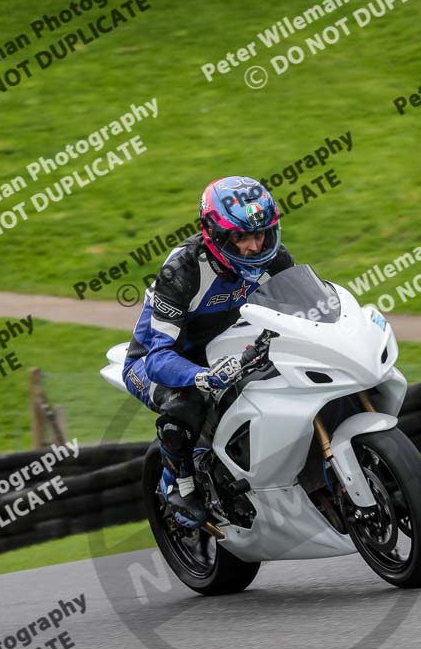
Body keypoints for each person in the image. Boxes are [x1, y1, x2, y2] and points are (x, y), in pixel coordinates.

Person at [122, 176, 294, 528]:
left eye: (261, 234)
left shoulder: (275, 260)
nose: (253, 247)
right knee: (188, 402)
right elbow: (157, 358)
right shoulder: (182, 271)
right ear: (213, 234)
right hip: (157, 361)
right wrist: (201, 376)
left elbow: (303, 310)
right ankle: (179, 483)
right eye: (240, 236)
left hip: (225, 348)